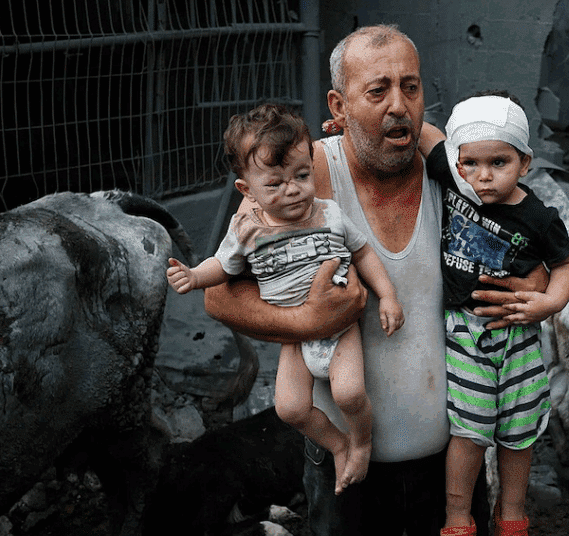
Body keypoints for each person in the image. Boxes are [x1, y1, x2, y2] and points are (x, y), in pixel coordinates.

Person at [203, 25, 547, 536]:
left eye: (411, 87)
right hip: (346, 470)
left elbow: (536, 245)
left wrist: (536, 285)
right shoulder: (305, 175)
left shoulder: (458, 176)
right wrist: (302, 320)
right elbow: (219, 294)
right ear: (337, 106)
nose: (398, 105)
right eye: (378, 90)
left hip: (452, 464)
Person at [166, 104, 403, 495]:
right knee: (289, 409)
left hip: (342, 325)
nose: (292, 189)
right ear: (247, 190)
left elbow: (362, 253)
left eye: (302, 175)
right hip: (294, 332)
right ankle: (337, 443)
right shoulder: (248, 228)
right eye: (274, 184)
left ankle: (361, 442)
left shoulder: (329, 213)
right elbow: (222, 268)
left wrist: (389, 295)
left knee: (349, 393)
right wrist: (193, 276)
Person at [426, 92, 569, 536]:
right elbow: (424, 134)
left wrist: (550, 302)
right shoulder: (454, 179)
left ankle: (511, 514)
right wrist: (348, 128)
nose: (483, 176)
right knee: (471, 431)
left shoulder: (537, 216)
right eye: (470, 162)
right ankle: (458, 517)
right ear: (456, 160)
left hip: (518, 337)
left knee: (521, 429)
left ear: (525, 163)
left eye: (499, 163)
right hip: (464, 332)